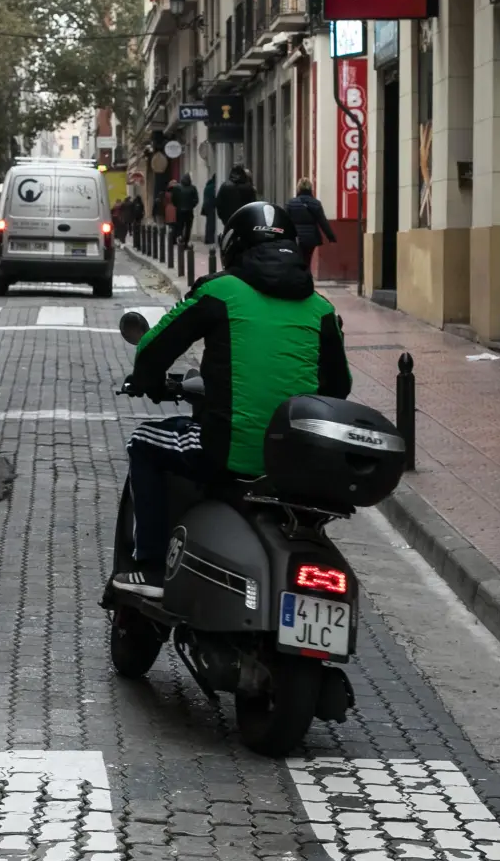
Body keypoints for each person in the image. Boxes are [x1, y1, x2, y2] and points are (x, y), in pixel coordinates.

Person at [112, 201, 352, 598]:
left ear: (233, 249)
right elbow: (337, 386)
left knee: (143, 442)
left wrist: (149, 381)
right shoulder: (321, 309)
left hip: (225, 452)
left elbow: (154, 349)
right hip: (295, 465)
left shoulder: (220, 292)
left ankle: (151, 565)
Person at [285, 177, 339, 273]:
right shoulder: (316, 203)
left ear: (298, 188)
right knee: (307, 259)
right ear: (311, 188)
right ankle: (307, 278)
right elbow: (323, 222)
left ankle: (299, 279)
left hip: (296, 237)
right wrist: (331, 237)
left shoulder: (291, 203)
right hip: (311, 237)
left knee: (298, 258)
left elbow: (285, 221)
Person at [170, 173, 200, 247]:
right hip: (189, 211)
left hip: (179, 211)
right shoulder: (193, 188)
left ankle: (180, 239)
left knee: (180, 226)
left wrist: (178, 206)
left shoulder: (177, 188)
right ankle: (186, 242)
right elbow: (196, 200)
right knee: (188, 227)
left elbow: (173, 199)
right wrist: (191, 206)